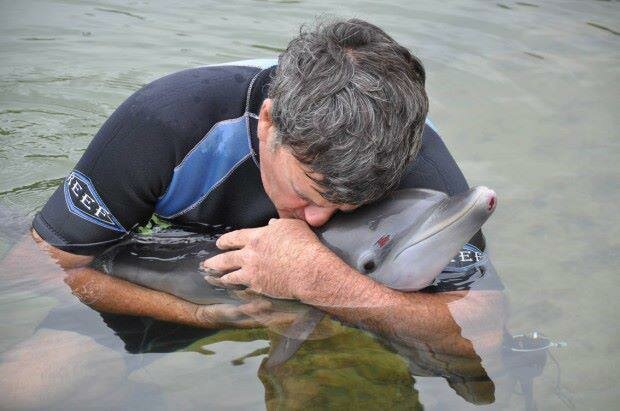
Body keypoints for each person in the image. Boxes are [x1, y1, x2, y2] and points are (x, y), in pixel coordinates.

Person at [30, 18, 503, 355]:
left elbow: (482, 330)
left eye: (350, 204)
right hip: (173, 285)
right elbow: (39, 270)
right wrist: (195, 316)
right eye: (309, 193)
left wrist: (321, 284)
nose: (317, 218)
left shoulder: (417, 170)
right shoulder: (168, 124)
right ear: (270, 124)